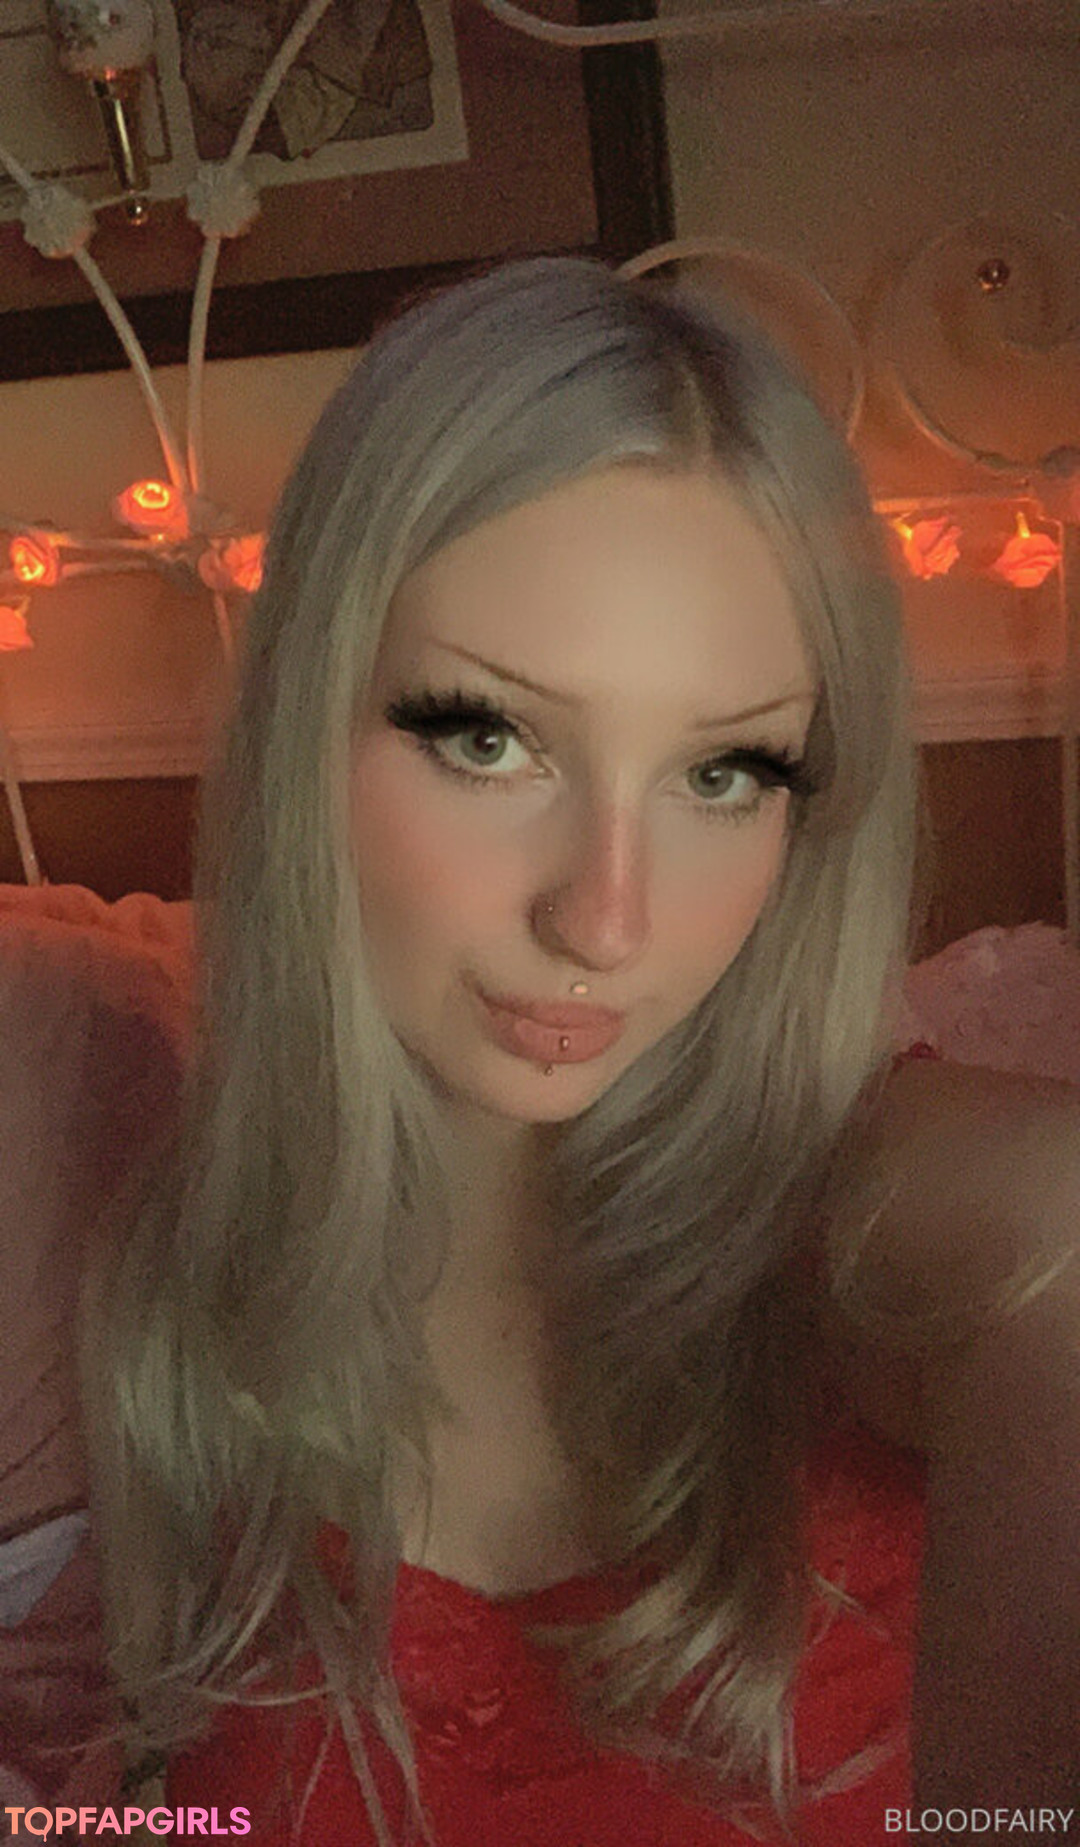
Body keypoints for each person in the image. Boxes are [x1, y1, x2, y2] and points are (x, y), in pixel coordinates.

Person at [82, 256, 1079, 1847]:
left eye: (725, 773)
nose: (607, 920)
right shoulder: (156, 1289)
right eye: (490, 739)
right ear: (306, 728)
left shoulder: (891, 1244)